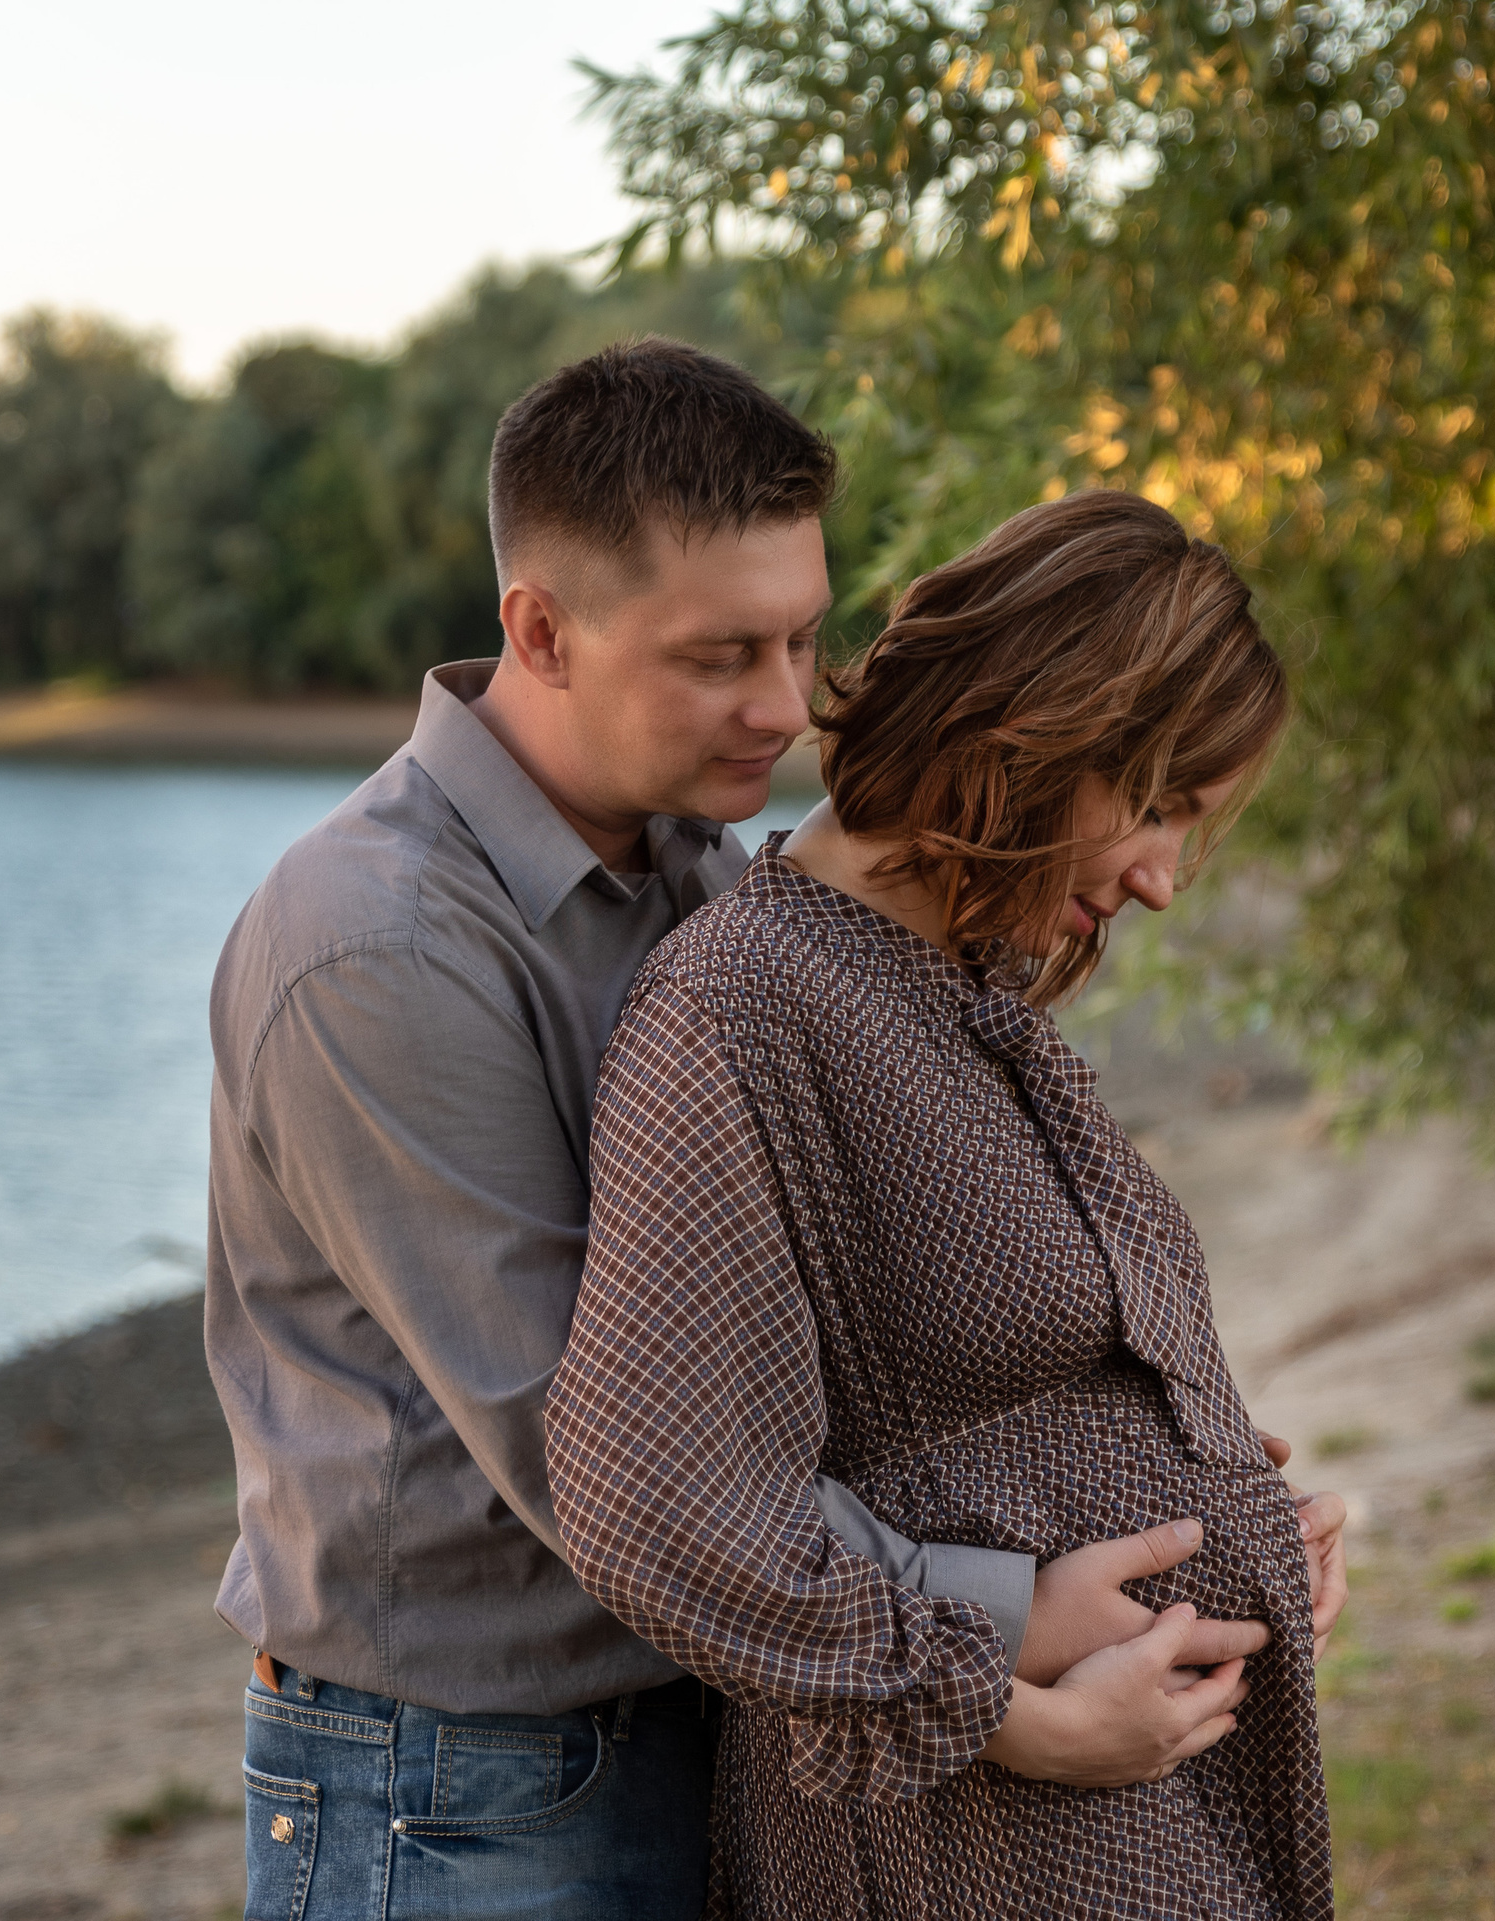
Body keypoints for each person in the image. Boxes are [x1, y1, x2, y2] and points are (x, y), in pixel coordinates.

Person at [204, 339, 1341, 1919]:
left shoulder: (705, 879)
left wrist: (1183, 1484)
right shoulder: (378, 947)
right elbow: (605, 1456)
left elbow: (822, 1350)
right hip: (466, 1786)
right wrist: (1006, 1641)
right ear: (541, 629)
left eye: (805, 636)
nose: (789, 703)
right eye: (724, 653)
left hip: (719, 1718)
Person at [544, 489, 1336, 1917]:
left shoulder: (963, 985)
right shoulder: (743, 1003)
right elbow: (649, 1499)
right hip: (964, 1836)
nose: (1162, 879)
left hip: (1109, 1810)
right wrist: (981, 1689)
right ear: (1035, 729)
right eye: (1153, 807)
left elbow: (1012, 1384)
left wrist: (1244, 1510)